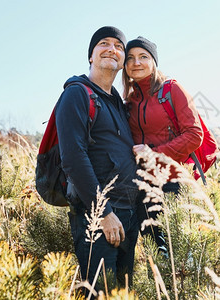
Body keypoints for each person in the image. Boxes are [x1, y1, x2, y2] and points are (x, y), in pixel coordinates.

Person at [55, 26, 141, 290]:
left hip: (127, 216)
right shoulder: (77, 93)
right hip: (97, 218)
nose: (112, 49)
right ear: (91, 55)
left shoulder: (118, 102)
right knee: (100, 293)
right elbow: (73, 157)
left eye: (118, 46)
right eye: (104, 43)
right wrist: (102, 213)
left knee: (123, 294)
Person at [122, 36, 203, 254]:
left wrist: (153, 154)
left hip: (173, 183)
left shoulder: (171, 89)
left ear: (153, 61)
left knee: (181, 256)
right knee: (156, 257)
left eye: (143, 57)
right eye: (130, 58)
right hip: (143, 189)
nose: (136, 62)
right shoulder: (129, 101)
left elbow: (195, 134)